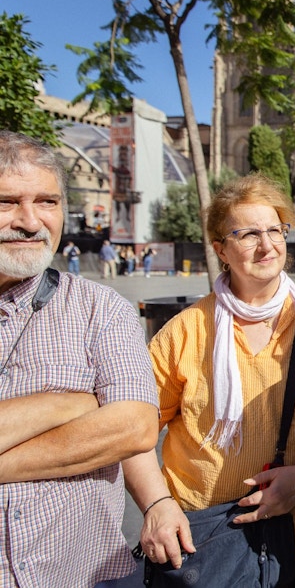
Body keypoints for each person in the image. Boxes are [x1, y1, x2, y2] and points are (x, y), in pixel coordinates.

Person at [123, 174, 295, 587]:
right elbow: (132, 436)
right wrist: (157, 505)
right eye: (248, 233)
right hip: (210, 542)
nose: (267, 244)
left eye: (275, 230)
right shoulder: (185, 332)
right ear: (221, 249)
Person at [0, 130, 159, 588]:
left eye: (47, 202)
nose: (30, 221)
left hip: (87, 574)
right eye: (8, 202)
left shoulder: (100, 309)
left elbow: (134, 427)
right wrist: (67, 404)